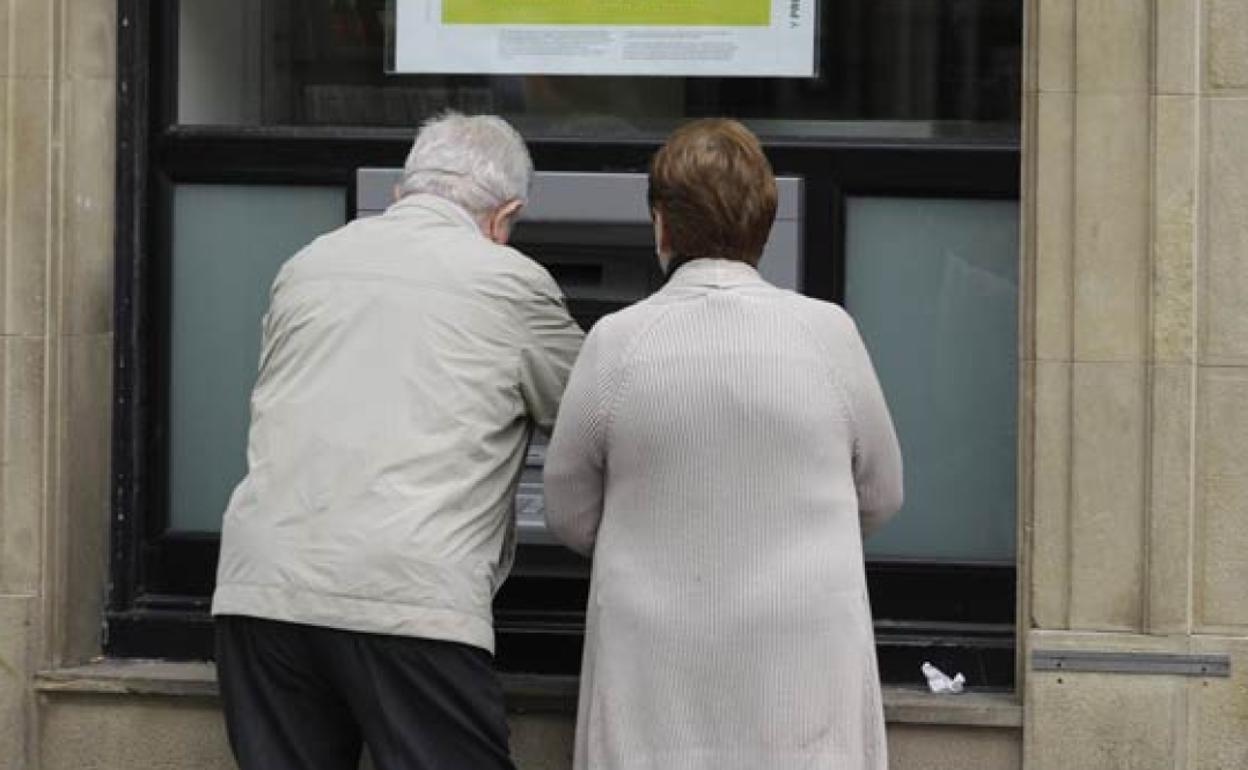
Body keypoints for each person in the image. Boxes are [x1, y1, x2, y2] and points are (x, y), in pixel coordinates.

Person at [211, 113, 584, 770]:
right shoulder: (510, 281)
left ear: (401, 192)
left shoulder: (308, 263)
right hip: (409, 595)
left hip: (263, 590)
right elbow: (588, 415)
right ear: (507, 214)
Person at [543, 118, 903, 770]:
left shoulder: (618, 342)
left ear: (661, 225)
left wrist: (653, 535)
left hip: (654, 674)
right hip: (803, 672)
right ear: (764, 224)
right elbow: (880, 495)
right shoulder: (828, 335)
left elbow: (568, 514)